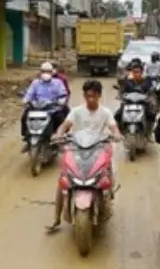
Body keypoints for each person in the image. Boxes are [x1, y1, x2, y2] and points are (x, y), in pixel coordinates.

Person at [47, 79, 123, 233]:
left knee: (108, 172)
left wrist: (116, 134)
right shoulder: (76, 111)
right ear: (84, 96)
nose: (90, 99)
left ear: (99, 96)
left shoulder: (105, 112)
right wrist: (59, 133)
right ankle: (56, 218)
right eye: (87, 96)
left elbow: (114, 127)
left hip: (98, 148)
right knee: (64, 179)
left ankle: (108, 198)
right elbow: (65, 125)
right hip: (77, 149)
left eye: (93, 96)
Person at [21, 62, 69, 152]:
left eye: (48, 71)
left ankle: (57, 139)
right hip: (36, 108)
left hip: (52, 109)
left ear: (52, 72)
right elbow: (29, 93)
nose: (46, 73)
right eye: (43, 71)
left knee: (60, 118)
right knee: (24, 116)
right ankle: (27, 138)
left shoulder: (57, 83)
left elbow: (63, 93)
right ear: (40, 72)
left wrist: (61, 101)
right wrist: (25, 100)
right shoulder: (35, 83)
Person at [115, 59, 155, 129]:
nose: (136, 74)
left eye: (138, 72)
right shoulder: (128, 81)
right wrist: (120, 96)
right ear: (132, 73)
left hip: (143, 104)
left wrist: (150, 98)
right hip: (129, 103)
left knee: (152, 115)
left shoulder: (147, 81)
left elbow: (151, 92)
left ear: (142, 72)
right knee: (117, 115)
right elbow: (122, 90)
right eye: (134, 72)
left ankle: (149, 132)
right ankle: (120, 131)